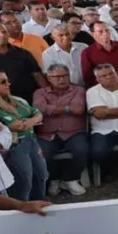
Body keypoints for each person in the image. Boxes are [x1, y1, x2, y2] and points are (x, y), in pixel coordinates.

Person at [0, 69, 47, 201]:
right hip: (15, 145)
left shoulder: (16, 100)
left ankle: (40, 204)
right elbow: (17, 126)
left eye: (8, 80)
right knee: (24, 181)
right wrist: (32, 121)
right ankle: (20, 209)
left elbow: (37, 113)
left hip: (31, 141)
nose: (8, 84)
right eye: (2, 81)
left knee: (41, 175)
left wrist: (30, 121)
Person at [33, 64, 89, 196]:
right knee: (42, 154)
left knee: (82, 150)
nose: (62, 79)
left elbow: (79, 108)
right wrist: (68, 108)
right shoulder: (39, 93)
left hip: (74, 132)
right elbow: (38, 109)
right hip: (46, 134)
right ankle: (54, 179)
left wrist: (50, 109)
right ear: (48, 78)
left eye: (65, 76)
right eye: (57, 77)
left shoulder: (78, 90)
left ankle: (71, 179)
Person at [0, 22, 45, 102]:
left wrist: (45, 94)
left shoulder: (23, 53)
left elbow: (37, 75)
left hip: (27, 100)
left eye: (4, 32)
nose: (2, 35)